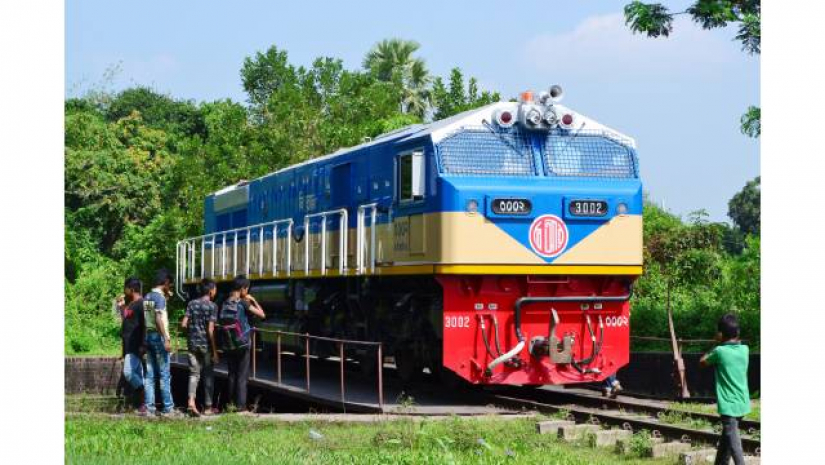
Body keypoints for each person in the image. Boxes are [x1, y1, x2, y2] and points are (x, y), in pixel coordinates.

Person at [700, 313, 750, 465]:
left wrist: (716, 343)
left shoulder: (719, 352)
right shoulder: (745, 350)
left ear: (720, 334)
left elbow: (702, 362)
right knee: (726, 443)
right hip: (742, 403)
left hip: (728, 406)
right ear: (738, 332)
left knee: (735, 447)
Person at [219, 275, 265, 413]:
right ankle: (241, 407)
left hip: (228, 343)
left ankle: (231, 404)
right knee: (242, 375)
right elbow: (262, 315)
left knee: (232, 374)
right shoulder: (243, 303)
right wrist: (254, 300)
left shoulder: (225, 302)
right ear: (243, 288)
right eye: (247, 288)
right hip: (243, 343)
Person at [142, 269, 180, 417]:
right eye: (169, 283)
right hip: (159, 337)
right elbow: (158, 318)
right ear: (165, 282)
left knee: (150, 375)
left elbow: (149, 318)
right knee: (164, 374)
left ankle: (150, 408)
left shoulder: (148, 296)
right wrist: (166, 339)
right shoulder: (159, 298)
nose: (169, 286)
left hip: (149, 336)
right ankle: (168, 408)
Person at [181, 278, 219, 416]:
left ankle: (191, 401)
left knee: (194, 374)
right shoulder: (212, 306)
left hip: (192, 345)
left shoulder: (191, 304)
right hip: (206, 347)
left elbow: (184, 324)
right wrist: (215, 351)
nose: (215, 291)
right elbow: (210, 329)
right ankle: (208, 408)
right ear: (210, 291)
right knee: (208, 375)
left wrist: (191, 333)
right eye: (215, 288)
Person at [119, 277, 146, 411]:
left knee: (129, 373)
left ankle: (144, 392)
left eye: (126, 288)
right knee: (138, 374)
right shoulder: (131, 304)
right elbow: (126, 318)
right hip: (128, 345)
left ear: (132, 289)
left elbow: (149, 325)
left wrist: (144, 344)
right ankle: (142, 404)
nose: (124, 291)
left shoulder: (145, 303)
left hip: (136, 346)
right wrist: (121, 306)